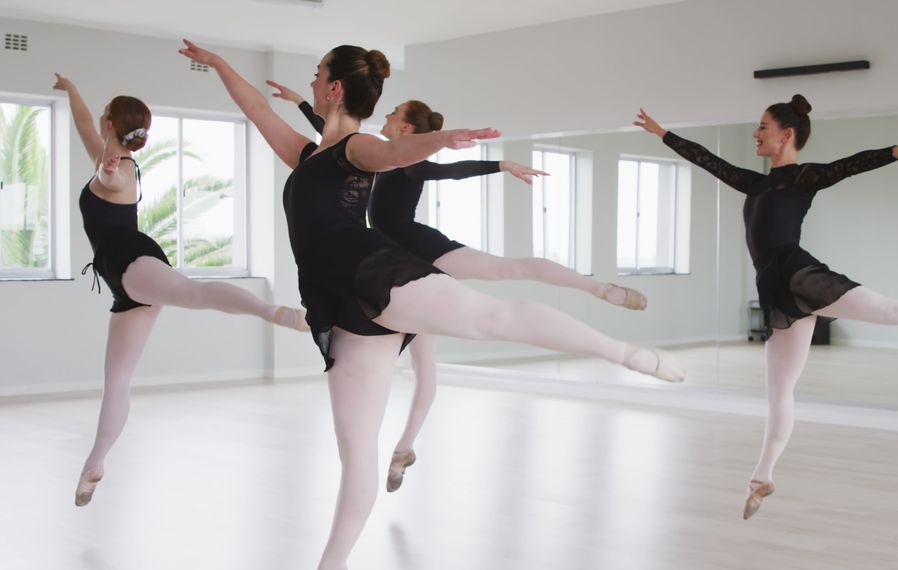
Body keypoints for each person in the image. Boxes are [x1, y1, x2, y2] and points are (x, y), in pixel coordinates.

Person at [182, 40, 683, 570]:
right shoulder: (308, 156)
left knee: (494, 317)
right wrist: (217, 64)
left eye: (316, 74)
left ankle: (627, 354)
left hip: (373, 272)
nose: (309, 83)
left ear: (333, 88)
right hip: (338, 305)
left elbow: (396, 154)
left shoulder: (358, 147)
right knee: (355, 455)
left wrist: (442, 140)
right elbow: (256, 109)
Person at [634, 95, 898, 520]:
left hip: (798, 274)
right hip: (775, 290)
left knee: (893, 311)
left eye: (763, 127)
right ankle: (762, 478)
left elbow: (851, 164)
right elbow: (708, 161)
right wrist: (664, 134)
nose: (755, 133)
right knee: (778, 392)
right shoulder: (753, 182)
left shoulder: (804, 177)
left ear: (786, 135)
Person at [267, 81, 649, 492]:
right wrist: (304, 104)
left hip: (420, 254)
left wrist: (499, 166)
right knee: (423, 367)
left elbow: (447, 170)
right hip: (386, 274)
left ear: (407, 129)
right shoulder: (364, 151)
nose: (389, 115)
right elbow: (330, 146)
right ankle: (404, 450)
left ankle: (598, 289)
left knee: (508, 270)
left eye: (396, 112)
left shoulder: (406, 159)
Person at [52, 74, 308, 508]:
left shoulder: (122, 168)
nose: (94, 122)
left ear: (110, 123)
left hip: (131, 259)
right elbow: (81, 122)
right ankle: (94, 463)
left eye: (100, 118)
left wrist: (107, 174)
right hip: (124, 281)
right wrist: (72, 86)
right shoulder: (105, 152)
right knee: (116, 380)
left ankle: (273, 313)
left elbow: (113, 181)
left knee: (190, 293)